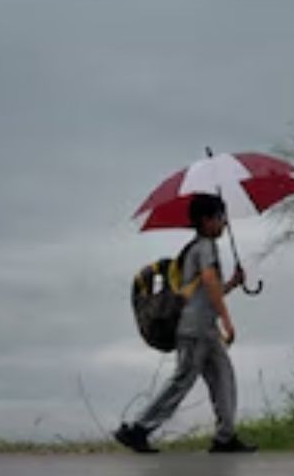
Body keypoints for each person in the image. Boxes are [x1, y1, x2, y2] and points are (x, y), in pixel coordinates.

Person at [114, 192, 257, 454]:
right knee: (182, 381)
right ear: (206, 220)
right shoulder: (205, 247)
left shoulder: (197, 249)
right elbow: (210, 283)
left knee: (223, 377)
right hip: (194, 331)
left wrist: (233, 284)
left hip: (206, 330)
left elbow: (205, 293)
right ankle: (138, 429)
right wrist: (227, 320)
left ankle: (225, 437)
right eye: (220, 217)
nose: (224, 223)